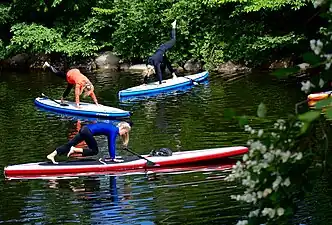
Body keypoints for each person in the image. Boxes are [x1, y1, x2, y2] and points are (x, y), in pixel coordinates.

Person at [46, 121, 131, 164]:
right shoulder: (114, 130)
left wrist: (112, 156)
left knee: (69, 144)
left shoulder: (112, 127)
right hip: (87, 132)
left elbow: (110, 144)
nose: (124, 134)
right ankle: (74, 150)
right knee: (95, 151)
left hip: (85, 129)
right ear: (123, 128)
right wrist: (113, 158)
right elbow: (111, 144)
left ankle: (52, 154)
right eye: (125, 132)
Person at [142, 20, 178, 85]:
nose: (152, 72)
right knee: (167, 62)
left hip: (163, 47)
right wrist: (144, 82)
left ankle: (173, 26)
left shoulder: (155, 62)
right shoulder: (148, 63)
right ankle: (174, 75)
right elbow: (147, 72)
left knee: (174, 40)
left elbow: (159, 72)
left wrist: (160, 83)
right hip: (160, 52)